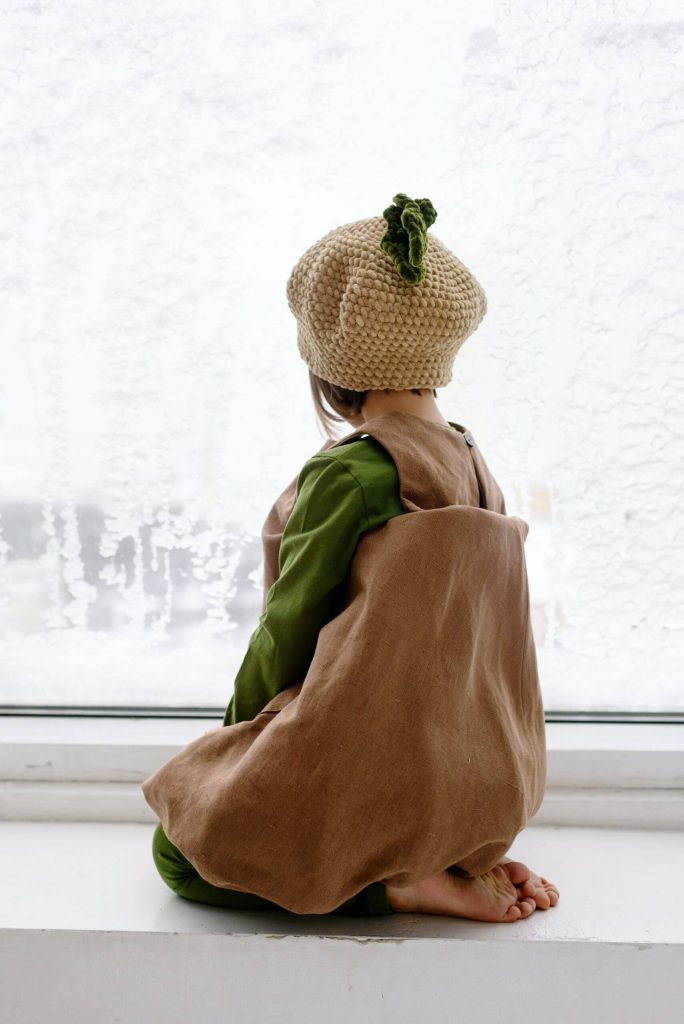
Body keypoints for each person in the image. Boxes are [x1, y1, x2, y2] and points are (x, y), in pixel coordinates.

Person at [149, 193, 560, 921]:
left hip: (376, 765)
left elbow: (288, 628)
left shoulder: (353, 473)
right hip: (480, 775)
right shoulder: (474, 463)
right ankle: (445, 855)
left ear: (329, 364)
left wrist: (234, 743)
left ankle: (397, 884)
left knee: (184, 851)